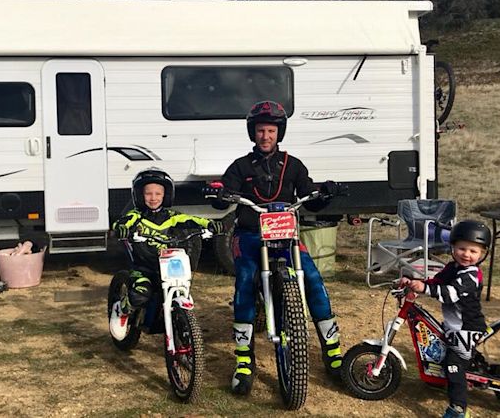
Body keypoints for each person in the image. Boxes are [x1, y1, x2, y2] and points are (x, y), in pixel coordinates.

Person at [210, 100, 345, 396]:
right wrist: (218, 195)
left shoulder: (293, 165)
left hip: (286, 236)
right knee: (245, 283)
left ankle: (333, 352)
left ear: (278, 133)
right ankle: (244, 361)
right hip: (250, 235)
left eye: (271, 131)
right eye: (261, 130)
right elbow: (224, 194)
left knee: (313, 279)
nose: (265, 136)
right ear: (253, 132)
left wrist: (325, 193)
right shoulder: (240, 166)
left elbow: (309, 195)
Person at [108, 167, 224, 340]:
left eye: (158, 193)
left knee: (181, 287)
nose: (153, 198)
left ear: (166, 195)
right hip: (144, 267)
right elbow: (121, 223)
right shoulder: (136, 216)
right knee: (141, 293)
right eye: (148, 193)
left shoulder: (172, 216)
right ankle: (122, 309)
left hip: (167, 266)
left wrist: (210, 224)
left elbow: (193, 220)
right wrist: (122, 229)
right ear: (139, 195)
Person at [398, 220, 491, 418]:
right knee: (440, 347)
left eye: (473, 251)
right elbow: (437, 281)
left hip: (466, 329)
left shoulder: (471, 276)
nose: (466, 254)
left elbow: (451, 293)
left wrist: (425, 289)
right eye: (462, 248)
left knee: (453, 364)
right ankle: (441, 379)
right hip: (454, 326)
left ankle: (458, 408)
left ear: (482, 253)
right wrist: (416, 282)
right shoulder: (453, 267)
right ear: (453, 247)